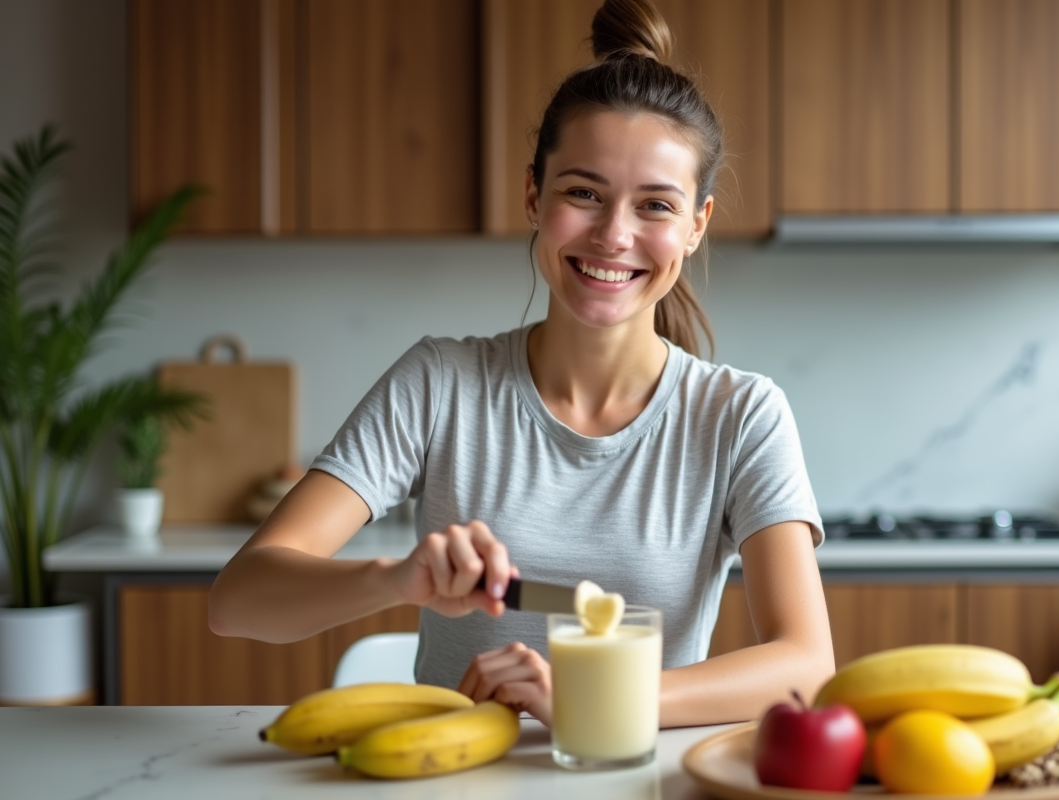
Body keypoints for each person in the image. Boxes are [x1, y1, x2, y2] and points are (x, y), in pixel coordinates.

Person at [209, 0, 835, 728]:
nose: (613, 235)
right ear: (535, 196)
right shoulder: (440, 385)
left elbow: (806, 665)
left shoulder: (740, 416)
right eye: (583, 193)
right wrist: (397, 578)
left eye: (655, 206)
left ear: (696, 225)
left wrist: (592, 697)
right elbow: (238, 601)